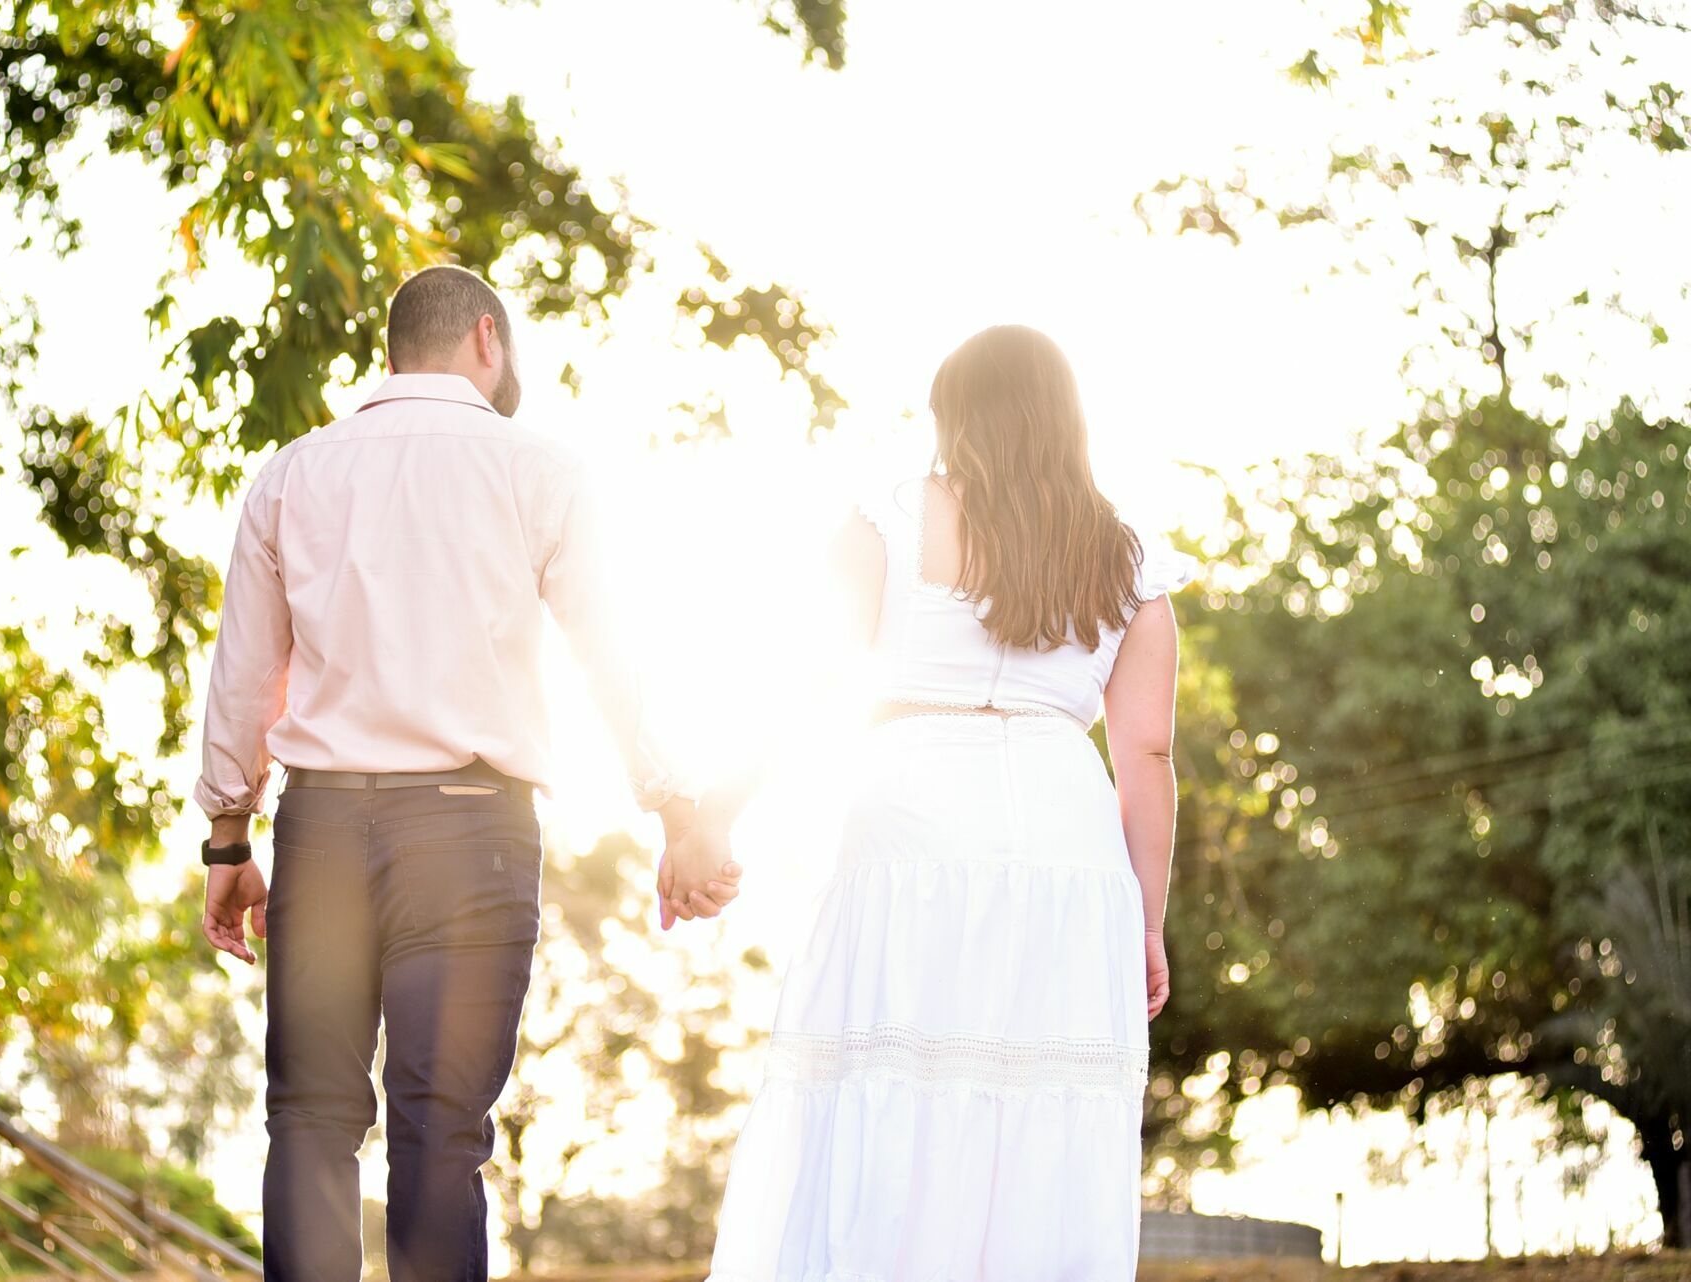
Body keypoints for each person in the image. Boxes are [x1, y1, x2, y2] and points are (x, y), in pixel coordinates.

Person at [191, 264, 741, 1281]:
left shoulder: (293, 474)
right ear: (486, 339)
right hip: (470, 831)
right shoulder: (540, 472)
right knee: (442, 1134)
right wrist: (673, 802)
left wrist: (229, 836)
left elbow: (244, 675)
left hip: (320, 830)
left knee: (310, 1121)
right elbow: (609, 655)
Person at [701, 324, 1195, 1281]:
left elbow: (808, 684)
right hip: (1069, 844)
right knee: (1032, 1111)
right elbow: (1146, 751)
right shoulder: (1130, 557)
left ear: (952, 417)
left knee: (896, 1086)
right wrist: (1146, 920)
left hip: (911, 826)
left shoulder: (885, 519)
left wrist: (717, 811)